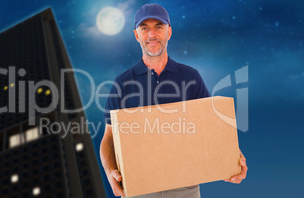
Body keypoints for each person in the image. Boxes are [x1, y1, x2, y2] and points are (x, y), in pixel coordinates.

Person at [100, 3, 248, 198]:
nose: (151, 34)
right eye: (144, 28)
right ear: (136, 35)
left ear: (169, 32)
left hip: (185, 188)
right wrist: (110, 171)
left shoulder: (190, 77)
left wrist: (235, 159)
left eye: (158, 27)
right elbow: (109, 136)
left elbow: (213, 127)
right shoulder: (122, 83)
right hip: (139, 188)